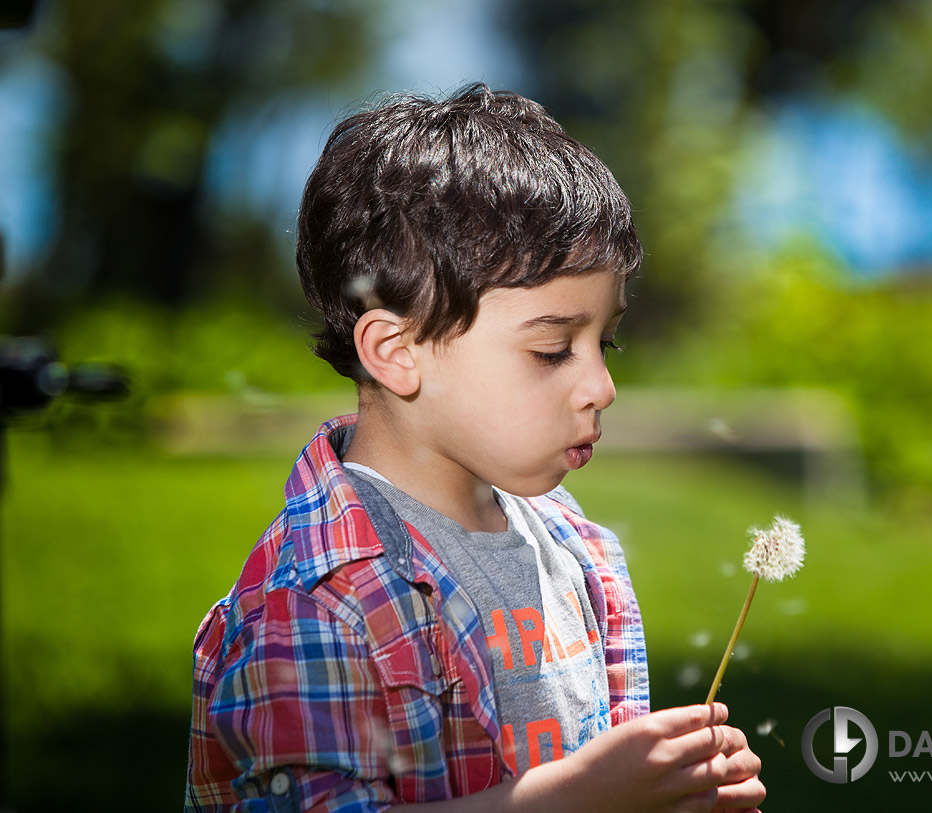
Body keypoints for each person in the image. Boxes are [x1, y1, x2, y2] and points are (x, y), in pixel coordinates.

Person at [186, 83, 764, 812]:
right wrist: (576, 798)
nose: (602, 385)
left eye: (604, 341)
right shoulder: (315, 603)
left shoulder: (575, 549)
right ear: (397, 351)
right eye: (554, 348)